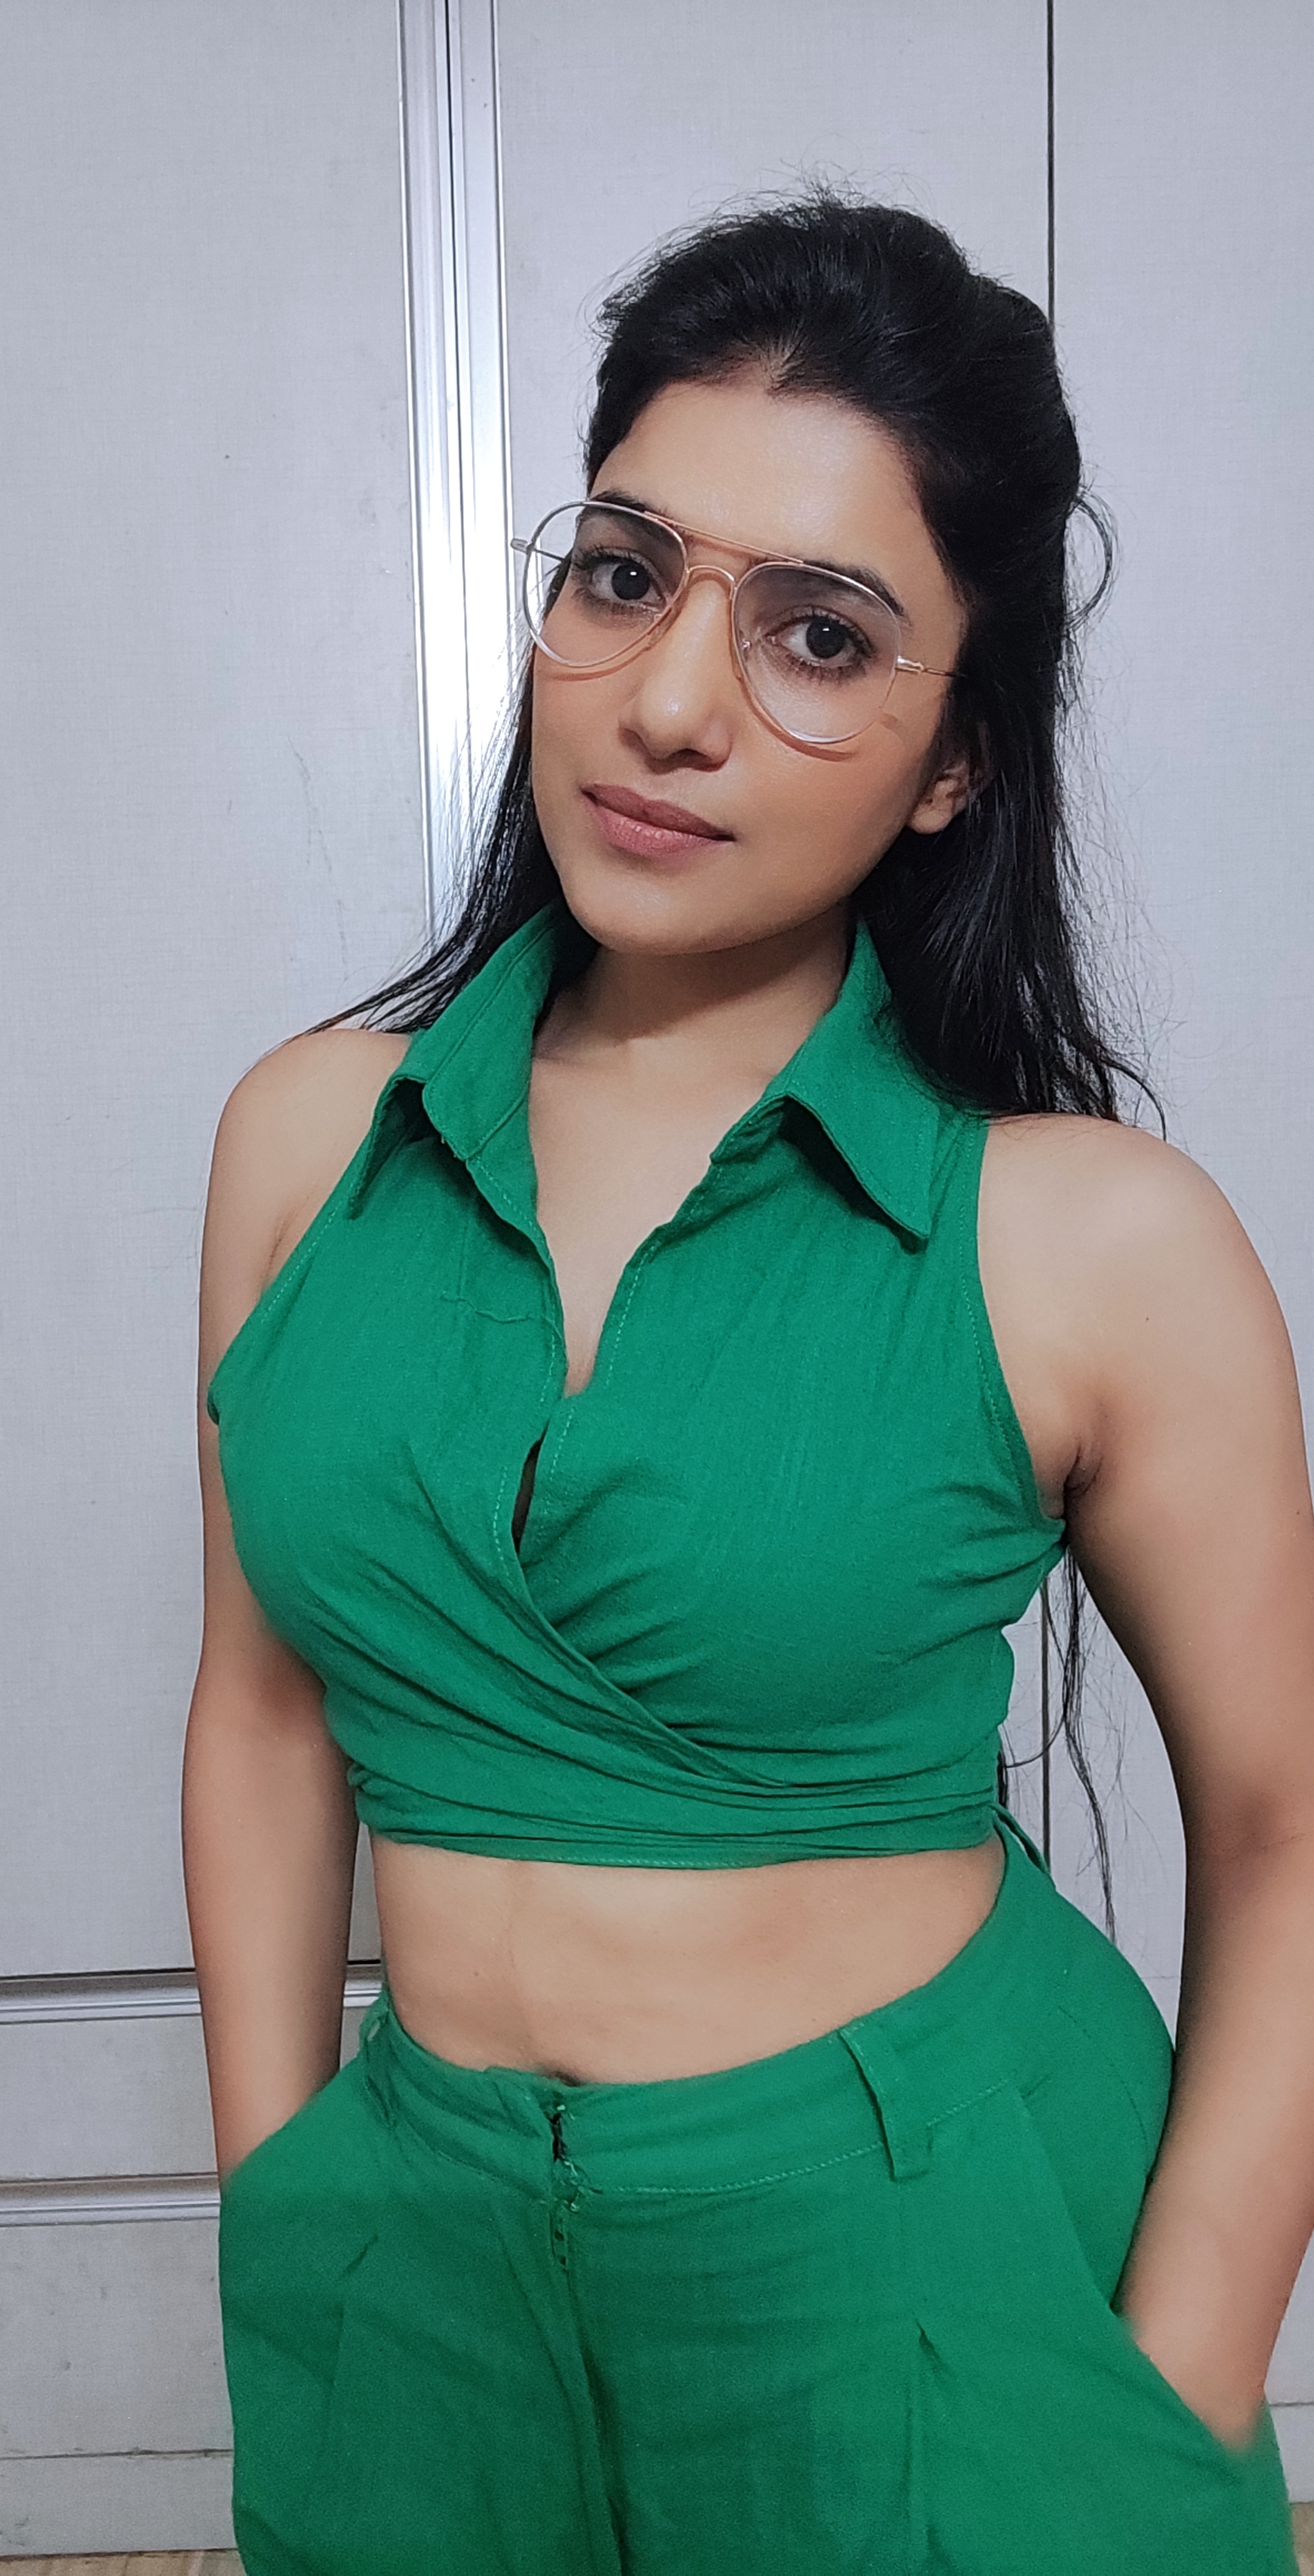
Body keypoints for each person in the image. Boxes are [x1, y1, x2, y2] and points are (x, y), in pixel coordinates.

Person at [182, 193, 1314, 2575]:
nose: (673, 702)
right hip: (419, 2269)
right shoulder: (306, 1140)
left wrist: (1185, 2364)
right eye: (625, 575)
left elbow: (1285, 1822)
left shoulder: (1089, 1239)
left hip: (921, 2258)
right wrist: (285, 2189)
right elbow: (267, 1713)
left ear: (954, 764)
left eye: (819, 635)